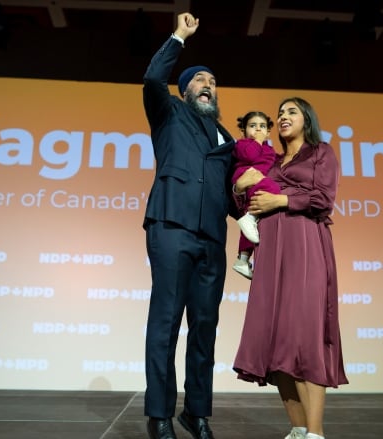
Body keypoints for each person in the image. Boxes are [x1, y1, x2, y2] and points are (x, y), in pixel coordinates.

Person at [142, 11, 237, 439]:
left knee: (205, 326)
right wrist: (180, 37)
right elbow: (151, 79)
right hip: (171, 227)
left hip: (212, 239)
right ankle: (159, 413)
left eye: (213, 82)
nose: (208, 86)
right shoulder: (168, 114)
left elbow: (234, 200)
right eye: (200, 80)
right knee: (166, 321)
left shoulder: (227, 140)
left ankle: (194, 411)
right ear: (185, 90)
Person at [232, 97, 348, 439]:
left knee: (304, 335)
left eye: (291, 112)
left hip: (305, 244)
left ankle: (316, 432)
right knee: (274, 337)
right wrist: (239, 188)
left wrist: (281, 199)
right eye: (280, 113)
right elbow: (247, 202)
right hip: (270, 250)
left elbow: (324, 199)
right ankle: (298, 429)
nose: (283, 117)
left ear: (306, 119)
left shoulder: (320, 153)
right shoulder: (270, 159)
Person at [230, 111, 279, 279]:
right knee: (274, 190)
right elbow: (250, 155)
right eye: (253, 126)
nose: (258, 130)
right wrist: (257, 140)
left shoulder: (269, 149)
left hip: (258, 182)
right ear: (243, 130)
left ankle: (242, 260)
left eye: (262, 126)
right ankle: (250, 217)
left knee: (251, 231)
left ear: (268, 132)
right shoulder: (242, 144)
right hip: (247, 176)